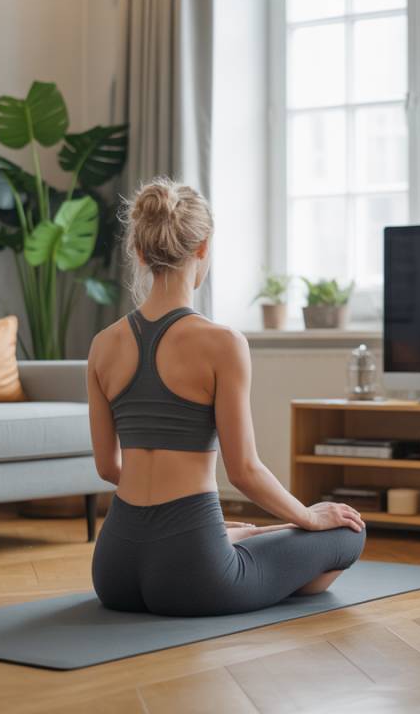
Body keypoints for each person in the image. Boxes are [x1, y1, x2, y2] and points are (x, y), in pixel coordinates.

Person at [87, 178, 366, 617]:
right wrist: (310, 517)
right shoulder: (223, 343)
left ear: (139, 252)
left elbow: (108, 467)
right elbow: (244, 472)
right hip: (194, 576)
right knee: (347, 534)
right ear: (203, 248)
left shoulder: (103, 344)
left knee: (240, 534)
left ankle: (233, 536)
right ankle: (234, 539)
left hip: (114, 569)